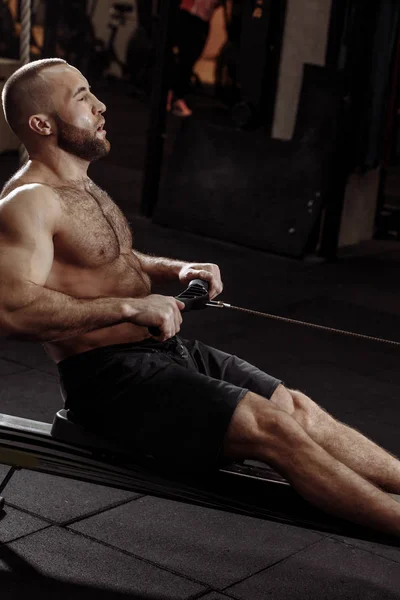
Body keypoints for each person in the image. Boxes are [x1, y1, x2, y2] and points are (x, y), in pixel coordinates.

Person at [1, 59, 400, 538]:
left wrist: (177, 269)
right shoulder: (29, 201)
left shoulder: (79, 183)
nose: (101, 105)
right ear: (42, 123)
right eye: (82, 97)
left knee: (297, 409)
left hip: (159, 351)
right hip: (110, 380)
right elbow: (11, 310)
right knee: (273, 429)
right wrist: (130, 307)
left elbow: (113, 259)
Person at [168, 0, 220, 117]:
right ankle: (176, 98)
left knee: (189, 60)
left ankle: (175, 95)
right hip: (189, 16)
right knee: (184, 59)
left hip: (203, 19)